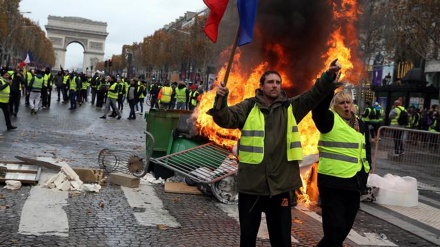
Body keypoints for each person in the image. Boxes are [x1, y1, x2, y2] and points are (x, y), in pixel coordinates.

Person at [210, 59, 342, 247]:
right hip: (252, 187)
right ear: (261, 86)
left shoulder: (291, 108)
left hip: (280, 188)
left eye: (278, 82)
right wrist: (220, 102)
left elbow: (313, 95)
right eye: (270, 82)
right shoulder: (248, 107)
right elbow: (225, 119)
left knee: (281, 241)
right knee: (247, 239)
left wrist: (328, 76)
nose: (275, 85)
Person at [312, 90, 371, 247]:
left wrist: (364, 176)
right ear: (334, 106)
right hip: (332, 183)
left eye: (348, 102)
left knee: (344, 229)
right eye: (342, 103)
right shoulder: (329, 119)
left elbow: (366, 152)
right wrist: (328, 85)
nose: (346, 106)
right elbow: (318, 111)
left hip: (354, 183)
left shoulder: (361, 124)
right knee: (334, 229)